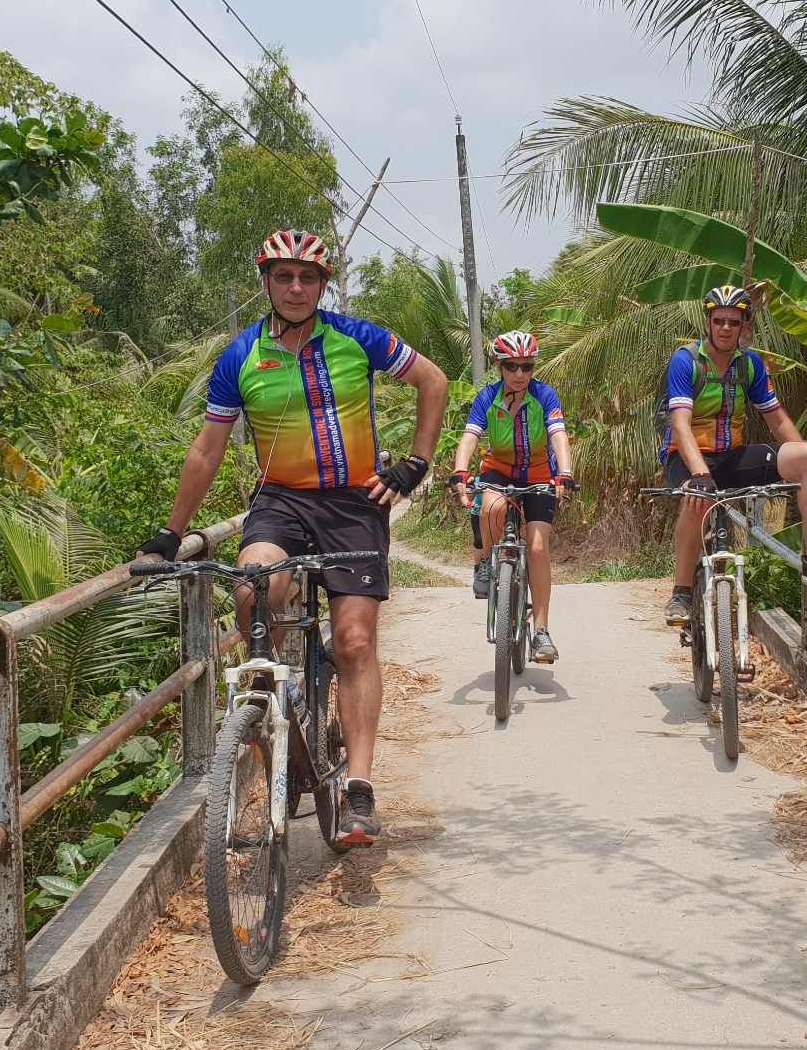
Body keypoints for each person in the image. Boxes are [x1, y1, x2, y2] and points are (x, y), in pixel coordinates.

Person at [137, 228, 448, 847]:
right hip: (279, 502)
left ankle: (358, 790)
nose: (297, 288)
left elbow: (433, 382)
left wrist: (414, 464)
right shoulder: (241, 357)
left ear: (323, 285)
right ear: (267, 282)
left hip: (355, 501)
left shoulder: (358, 338)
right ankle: (277, 703)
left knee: (356, 640)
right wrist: (169, 536)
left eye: (308, 278)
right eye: (284, 277)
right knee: (255, 588)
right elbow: (207, 448)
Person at [659, 285, 807, 628]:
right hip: (689, 457)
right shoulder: (686, 361)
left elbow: (777, 418)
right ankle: (681, 591)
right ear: (708, 323)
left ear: (744, 326)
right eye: (719, 320)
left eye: (733, 322)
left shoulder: (750, 365)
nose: (725, 328)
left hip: (733, 456)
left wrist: (800, 462)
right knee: (696, 502)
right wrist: (700, 475)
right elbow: (680, 424)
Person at [446, 331, 576, 664]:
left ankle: (543, 630)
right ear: (499, 366)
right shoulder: (486, 397)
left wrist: (565, 473)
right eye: (511, 366)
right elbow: (470, 437)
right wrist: (461, 472)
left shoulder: (545, 395)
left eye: (526, 366)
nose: (519, 374)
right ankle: (487, 564)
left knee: (536, 547)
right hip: (498, 469)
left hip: (537, 473)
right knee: (491, 507)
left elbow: (558, 435)